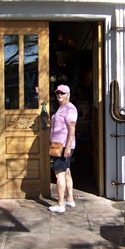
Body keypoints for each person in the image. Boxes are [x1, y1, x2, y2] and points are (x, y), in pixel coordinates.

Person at [48, 84, 78, 213]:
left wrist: (67, 147)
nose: (59, 95)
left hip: (63, 146)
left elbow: (72, 129)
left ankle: (60, 204)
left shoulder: (70, 109)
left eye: (62, 93)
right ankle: (70, 199)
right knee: (66, 171)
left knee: (59, 173)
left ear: (68, 94)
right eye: (57, 93)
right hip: (59, 146)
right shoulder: (61, 108)